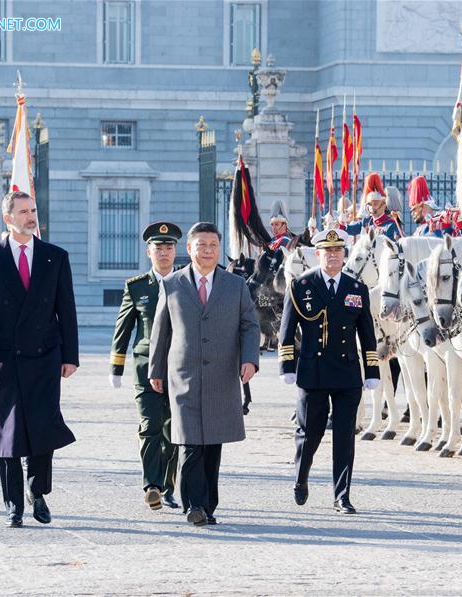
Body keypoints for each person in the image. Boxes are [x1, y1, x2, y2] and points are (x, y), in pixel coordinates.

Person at [0, 190, 78, 528]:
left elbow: (66, 310)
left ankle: (38, 491)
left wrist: (70, 356)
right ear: (8, 218)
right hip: (5, 359)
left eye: (33, 210)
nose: (31, 217)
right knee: (8, 434)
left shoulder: (54, 256)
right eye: (24, 212)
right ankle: (13, 503)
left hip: (46, 356)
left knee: (43, 427)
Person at [148, 222, 260, 527]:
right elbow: (161, 332)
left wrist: (249, 360)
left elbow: (250, 325)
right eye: (201, 245)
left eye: (212, 245)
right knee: (190, 443)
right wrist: (155, 370)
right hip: (183, 376)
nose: (207, 251)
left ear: (218, 249)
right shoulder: (171, 284)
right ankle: (193, 505)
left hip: (222, 376)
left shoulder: (235, 286)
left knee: (213, 445)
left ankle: (208, 504)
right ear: (189, 249)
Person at [277, 228, 380, 514]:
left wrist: (372, 370)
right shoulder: (301, 285)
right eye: (327, 251)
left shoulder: (356, 288)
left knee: (345, 437)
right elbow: (286, 331)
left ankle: (342, 496)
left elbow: (367, 333)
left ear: (344, 255)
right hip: (314, 373)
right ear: (318, 253)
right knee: (310, 433)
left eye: (338, 251)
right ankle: (301, 477)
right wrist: (288, 366)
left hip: (347, 373)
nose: (333, 256)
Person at [109, 222, 182, 511]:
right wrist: (116, 367)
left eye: (168, 248)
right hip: (144, 368)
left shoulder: (185, 283)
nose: (163, 253)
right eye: (158, 248)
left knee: (173, 430)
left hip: (178, 369)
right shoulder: (136, 286)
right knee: (150, 426)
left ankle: (169, 487)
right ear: (148, 251)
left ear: (176, 251)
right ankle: (151, 485)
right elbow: (123, 328)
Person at [344, 173, 404, 241]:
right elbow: (349, 230)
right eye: (369, 204)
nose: (371, 207)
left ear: (384, 205)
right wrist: (339, 225)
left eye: (375, 204)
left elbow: (397, 242)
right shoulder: (366, 221)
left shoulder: (391, 224)